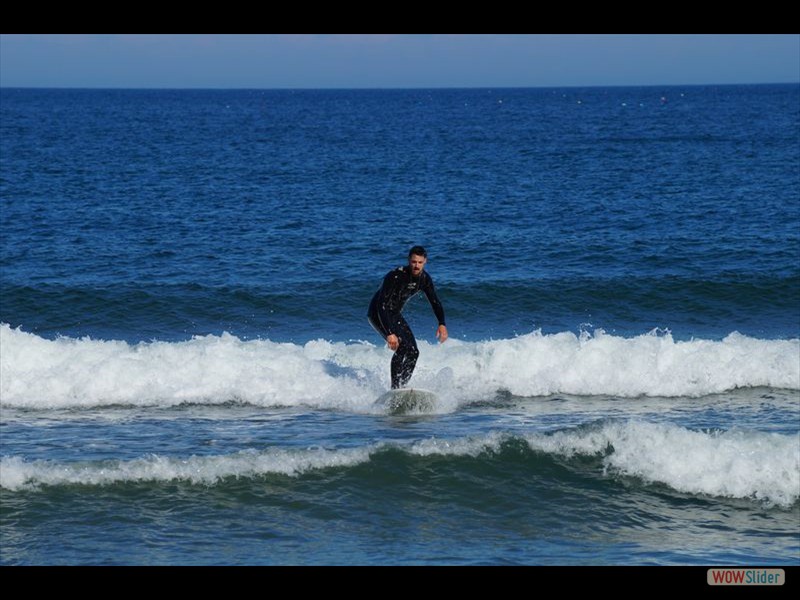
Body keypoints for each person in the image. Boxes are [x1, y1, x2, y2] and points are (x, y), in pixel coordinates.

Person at [368, 246, 448, 389]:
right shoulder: (395, 276)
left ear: (425, 262)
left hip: (394, 314)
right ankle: (395, 389)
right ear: (409, 261)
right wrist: (389, 333)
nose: (416, 266)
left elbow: (435, 301)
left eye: (419, 262)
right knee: (402, 348)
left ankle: (402, 387)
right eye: (413, 262)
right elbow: (381, 304)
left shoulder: (424, 279)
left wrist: (442, 323)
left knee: (414, 352)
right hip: (378, 313)